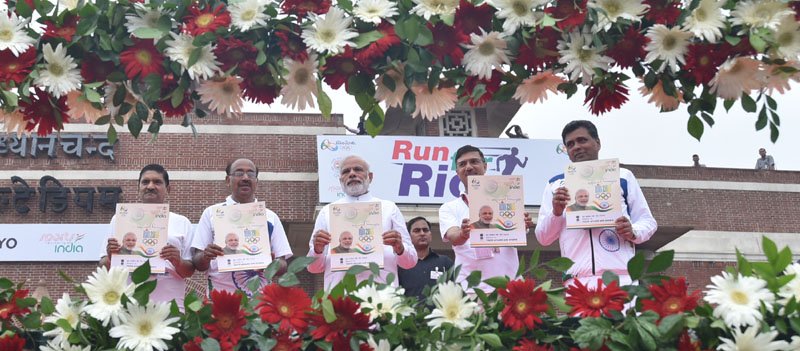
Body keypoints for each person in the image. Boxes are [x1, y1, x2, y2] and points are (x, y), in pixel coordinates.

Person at [535, 120, 657, 289]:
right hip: (577, 281)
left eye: (582, 140)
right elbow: (543, 237)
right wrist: (556, 213)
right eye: (570, 144)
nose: (576, 147)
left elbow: (648, 222)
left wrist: (633, 231)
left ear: (597, 143)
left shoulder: (622, 176)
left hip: (621, 278)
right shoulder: (555, 184)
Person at [308, 155, 417, 290]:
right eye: (346, 171)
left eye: (358, 169)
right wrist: (317, 250)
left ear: (370, 176)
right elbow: (313, 268)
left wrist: (400, 248)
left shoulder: (389, 208)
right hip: (340, 296)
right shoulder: (327, 212)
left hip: (382, 295)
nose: (352, 174)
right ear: (340, 180)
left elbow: (410, 262)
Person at [439, 145, 534, 293]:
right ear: (457, 172)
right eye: (462, 164)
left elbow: (516, 235)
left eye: (474, 161)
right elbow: (453, 237)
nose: (468, 167)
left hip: (511, 288)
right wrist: (463, 233)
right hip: (471, 291)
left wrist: (522, 224)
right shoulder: (449, 207)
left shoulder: (507, 198)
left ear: (485, 166)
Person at [191, 158, 292, 295]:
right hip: (221, 297)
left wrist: (273, 263)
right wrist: (206, 255)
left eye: (251, 174)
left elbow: (283, 265)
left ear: (256, 181)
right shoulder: (212, 213)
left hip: (259, 299)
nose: (245, 178)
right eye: (239, 173)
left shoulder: (270, 217)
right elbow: (198, 263)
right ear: (228, 180)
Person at [100, 164, 195, 307]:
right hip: (128, 301)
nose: (150, 186)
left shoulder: (182, 222)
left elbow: (189, 271)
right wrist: (111, 256)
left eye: (157, 182)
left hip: (169, 303)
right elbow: (103, 266)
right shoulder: (120, 219)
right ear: (138, 187)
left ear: (168, 189)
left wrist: (177, 260)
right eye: (145, 182)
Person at [398, 217, 453, 300]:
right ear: (408, 237)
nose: (422, 233)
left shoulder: (445, 262)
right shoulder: (400, 264)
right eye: (417, 231)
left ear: (430, 235)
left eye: (425, 230)